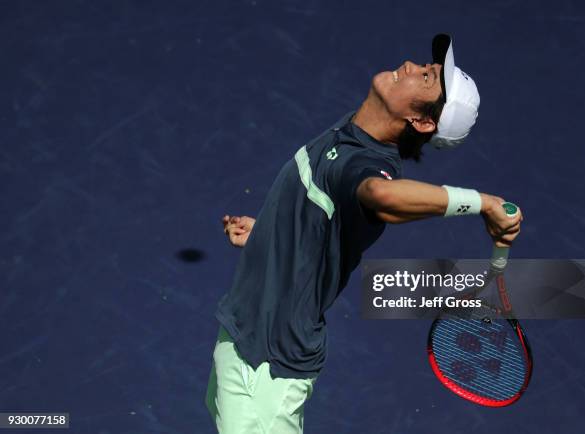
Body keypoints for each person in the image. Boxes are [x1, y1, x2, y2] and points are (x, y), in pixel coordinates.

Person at [205, 34, 522, 433]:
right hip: (242, 335)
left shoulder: (366, 165)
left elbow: (382, 195)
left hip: (266, 369)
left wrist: (483, 202)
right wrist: (270, 232)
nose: (411, 65)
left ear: (423, 121)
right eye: (426, 66)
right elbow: (324, 219)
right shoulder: (353, 132)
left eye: (426, 77)